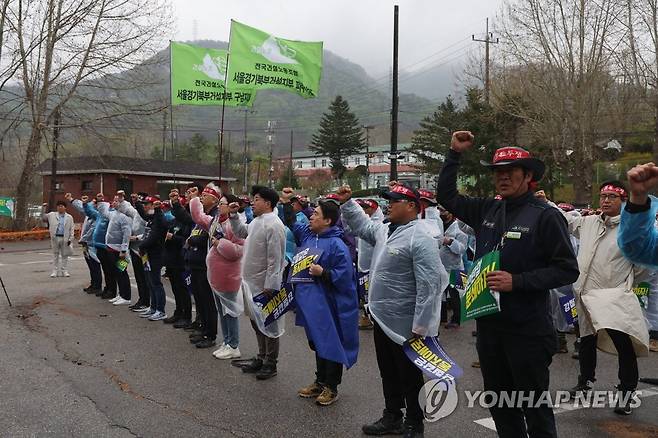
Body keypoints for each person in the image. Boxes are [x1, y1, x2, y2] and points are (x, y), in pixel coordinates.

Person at [437, 132, 580, 438]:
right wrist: (454, 155)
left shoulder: (547, 216)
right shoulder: (488, 208)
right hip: (490, 329)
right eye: (497, 172)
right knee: (500, 405)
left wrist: (518, 282)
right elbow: (447, 197)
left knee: (534, 407)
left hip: (528, 330)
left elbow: (567, 269)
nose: (502, 177)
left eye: (509, 172)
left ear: (528, 176)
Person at [336, 183, 447, 438]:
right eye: (387, 200)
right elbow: (363, 226)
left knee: (409, 374)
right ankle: (392, 416)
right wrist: (348, 203)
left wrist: (422, 325)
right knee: (388, 371)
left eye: (394, 200)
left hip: (407, 322)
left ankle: (414, 423)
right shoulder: (385, 230)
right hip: (382, 318)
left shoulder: (421, 236)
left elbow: (430, 285)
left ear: (411, 207)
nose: (388, 204)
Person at [557, 181, 649, 415]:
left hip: (613, 297)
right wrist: (541, 201)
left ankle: (627, 393)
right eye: (603, 196)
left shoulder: (632, 231)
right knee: (585, 340)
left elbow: (643, 267)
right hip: (585, 293)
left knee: (623, 345)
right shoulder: (588, 222)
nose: (606, 200)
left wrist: (623, 284)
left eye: (612, 196)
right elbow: (562, 220)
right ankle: (585, 382)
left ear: (624, 200)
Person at [281, 190, 359, 406]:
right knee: (317, 342)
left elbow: (345, 279)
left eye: (315, 214)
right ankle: (320, 380)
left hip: (328, 305)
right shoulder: (308, 235)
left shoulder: (337, 245)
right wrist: (287, 202)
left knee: (330, 343)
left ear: (327, 220)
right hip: (309, 304)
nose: (311, 217)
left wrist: (323, 273)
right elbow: (290, 221)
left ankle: (331, 387)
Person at [229, 185, 287, 381]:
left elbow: (276, 258)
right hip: (251, 282)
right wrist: (235, 215)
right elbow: (242, 232)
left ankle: (271, 362)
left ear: (267, 203)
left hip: (264, 285)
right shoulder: (257, 221)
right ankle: (261, 356)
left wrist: (272, 283)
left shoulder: (274, 224)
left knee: (269, 324)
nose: (253, 203)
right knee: (256, 322)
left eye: (256, 199)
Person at [190, 190, 245, 359]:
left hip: (229, 275)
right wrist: (194, 200)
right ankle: (227, 341)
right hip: (216, 275)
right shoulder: (216, 221)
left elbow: (239, 250)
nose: (220, 206)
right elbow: (199, 217)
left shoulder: (235, 224)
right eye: (220, 203)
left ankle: (234, 344)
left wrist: (219, 243)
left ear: (231, 207)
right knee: (222, 311)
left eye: (222, 204)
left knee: (230, 312)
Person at [186, 184, 221, 348]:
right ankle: (203, 328)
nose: (202, 198)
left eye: (205, 196)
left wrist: (192, 240)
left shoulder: (214, 216)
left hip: (205, 264)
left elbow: (205, 238)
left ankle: (210, 333)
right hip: (195, 263)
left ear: (214, 199)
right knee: (199, 299)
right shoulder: (203, 215)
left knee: (208, 302)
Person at [162, 189, 193, 326]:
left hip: (181, 260)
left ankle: (186, 316)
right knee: (175, 288)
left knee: (183, 290)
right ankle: (178, 312)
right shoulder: (174, 221)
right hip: (171, 260)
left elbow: (186, 240)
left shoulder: (187, 222)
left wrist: (173, 237)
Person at [137, 197, 170, 321]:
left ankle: (160, 310)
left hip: (156, 254)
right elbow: (144, 215)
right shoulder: (152, 218)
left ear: (153, 205)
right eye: (144, 204)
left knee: (156, 282)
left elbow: (154, 236)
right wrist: (137, 203)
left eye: (147, 204)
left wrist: (142, 245)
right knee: (150, 282)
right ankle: (153, 307)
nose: (145, 206)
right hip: (148, 254)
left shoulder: (160, 218)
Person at [116, 193, 150, 312]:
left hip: (142, 251)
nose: (141, 205)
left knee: (145, 278)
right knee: (139, 277)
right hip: (134, 250)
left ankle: (146, 302)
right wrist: (122, 200)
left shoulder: (148, 216)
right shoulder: (136, 213)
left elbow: (150, 232)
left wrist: (136, 238)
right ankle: (142, 299)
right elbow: (126, 208)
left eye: (143, 203)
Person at [96, 196, 133, 306]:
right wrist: (101, 201)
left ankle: (126, 296)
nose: (114, 203)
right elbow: (104, 211)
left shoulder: (124, 216)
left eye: (117, 201)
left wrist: (123, 249)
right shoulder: (113, 214)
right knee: (117, 272)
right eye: (114, 201)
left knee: (122, 272)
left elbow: (127, 233)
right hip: (111, 248)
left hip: (120, 251)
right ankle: (121, 294)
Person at [355, 198, 384, 330]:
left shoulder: (379, 225)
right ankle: (367, 317)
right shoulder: (365, 223)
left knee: (370, 295)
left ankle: (370, 318)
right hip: (363, 265)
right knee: (365, 294)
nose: (362, 210)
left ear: (372, 209)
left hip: (372, 267)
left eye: (365, 208)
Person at [438, 207, 468, 329]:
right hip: (440, 266)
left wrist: (450, 242)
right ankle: (442, 317)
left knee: (456, 294)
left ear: (451, 213)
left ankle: (457, 319)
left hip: (456, 267)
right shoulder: (438, 226)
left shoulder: (459, 229)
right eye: (440, 211)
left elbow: (462, 249)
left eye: (444, 211)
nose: (441, 213)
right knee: (440, 294)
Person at [67, 193, 102, 293]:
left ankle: (97, 286)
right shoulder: (88, 214)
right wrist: (71, 199)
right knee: (90, 265)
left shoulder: (97, 216)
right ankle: (94, 283)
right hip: (85, 244)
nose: (93, 205)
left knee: (95, 265)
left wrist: (83, 239)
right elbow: (81, 206)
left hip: (92, 244)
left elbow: (92, 230)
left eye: (96, 204)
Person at [83, 193, 115, 298]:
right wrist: (85, 204)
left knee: (115, 270)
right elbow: (89, 211)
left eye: (100, 205)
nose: (98, 207)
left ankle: (115, 291)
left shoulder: (111, 216)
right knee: (106, 269)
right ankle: (108, 288)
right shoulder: (99, 215)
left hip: (110, 247)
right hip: (99, 246)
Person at [41, 200, 75, 278]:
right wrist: (44, 208)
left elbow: (72, 228)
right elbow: (43, 217)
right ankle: (55, 270)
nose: (60, 208)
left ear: (65, 208)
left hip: (65, 237)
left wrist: (71, 238)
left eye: (62, 206)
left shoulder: (69, 217)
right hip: (55, 237)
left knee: (64, 255)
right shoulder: (52, 215)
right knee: (55, 254)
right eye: (58, 206)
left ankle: (64, 270)